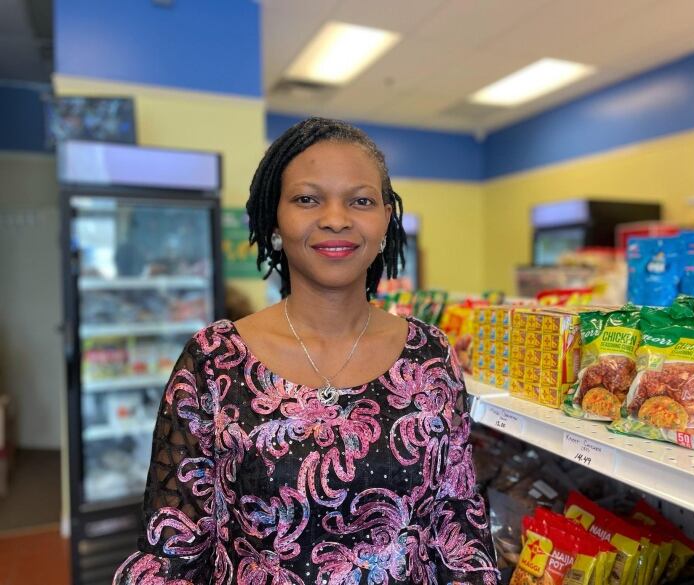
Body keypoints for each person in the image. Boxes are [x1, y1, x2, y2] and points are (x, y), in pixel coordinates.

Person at [114, 118, 499, 585]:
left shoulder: (430, 356)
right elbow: (171, 550)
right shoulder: (213, 360)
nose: (335, 218)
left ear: (385, 222)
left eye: (360, 200)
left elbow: (459, 527)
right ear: (275, 219)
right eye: (307, 198)